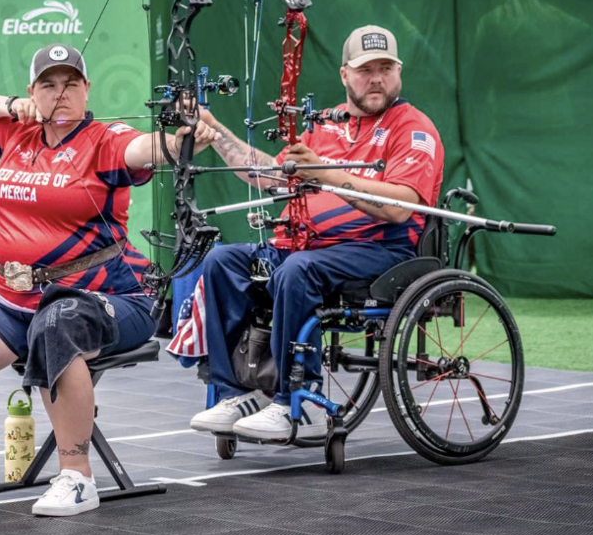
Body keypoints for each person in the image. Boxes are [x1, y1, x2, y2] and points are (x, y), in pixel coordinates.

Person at [0, 43, 217, 517]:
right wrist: (13, 107)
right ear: (33, 90)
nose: (61, 94)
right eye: (49, 85)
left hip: (111, 296)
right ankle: (56, 394)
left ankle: (77, 476)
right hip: (13, 299)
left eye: (71, 84)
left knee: (56, 327)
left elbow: (153, 148)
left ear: (87, 89)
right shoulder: (17, 133)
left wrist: (186, 134)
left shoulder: (106, 140)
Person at [183, 25, 445, 440]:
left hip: (378, 253)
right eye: (365, 70)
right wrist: (217, 134)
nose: (376, 78)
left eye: (385, 68)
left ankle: (295, 401)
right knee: (222, 261)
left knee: (296, 271)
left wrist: (324, 172)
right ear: (345, 75)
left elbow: (398, 206)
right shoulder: (323, 125)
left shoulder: (412, 129)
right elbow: (272, 176)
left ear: (399, 72)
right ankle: (236, 393)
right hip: (306, 246)